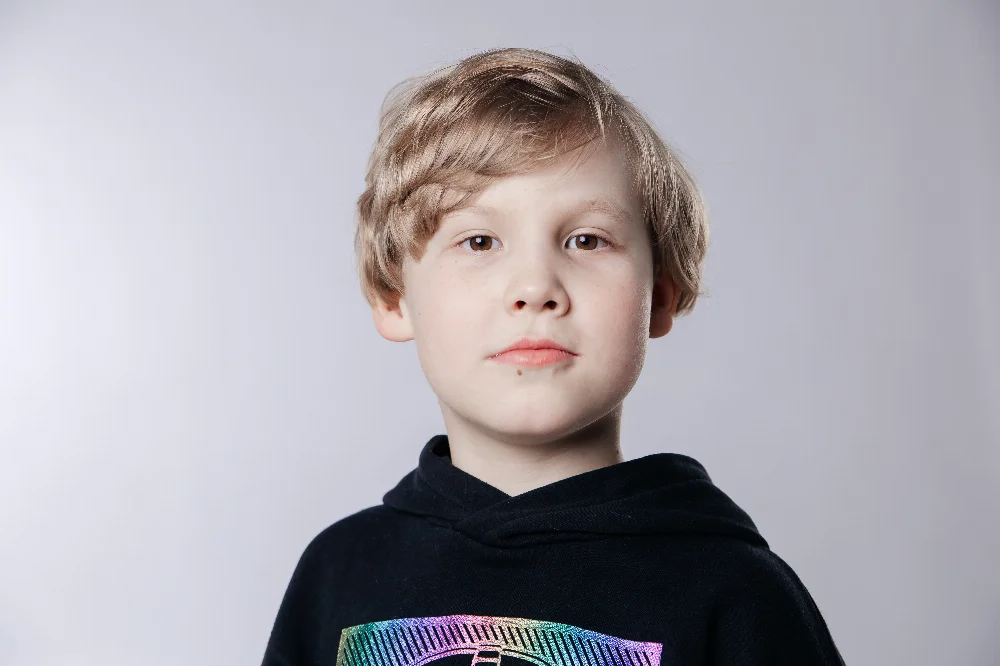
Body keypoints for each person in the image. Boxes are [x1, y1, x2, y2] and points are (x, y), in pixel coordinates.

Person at [261, 47, 845, 666]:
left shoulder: (736, 593)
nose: (535, 286)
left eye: (587, 240)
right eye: (479, 241)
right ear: (392, 296)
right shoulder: (337, 574)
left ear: (661, 295)